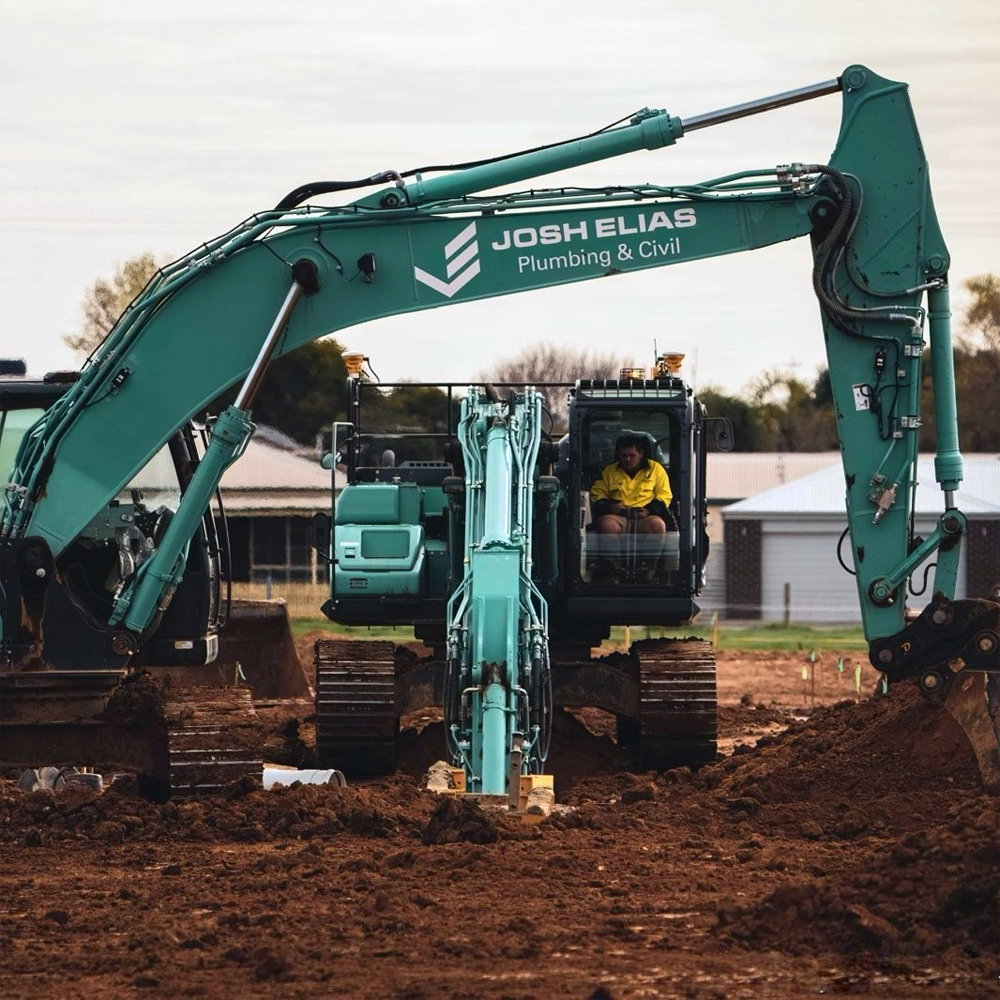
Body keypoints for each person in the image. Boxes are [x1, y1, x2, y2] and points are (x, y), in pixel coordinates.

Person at [590, 434, 673, 577]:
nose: (627, 459)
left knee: (658, 525)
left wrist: (648, 510)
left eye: (631, 455)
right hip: (618, 517)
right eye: (623, 455)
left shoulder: (656, 470)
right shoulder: (610, 471)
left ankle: (649, 571)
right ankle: (613, 571)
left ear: (641, 454)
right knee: (607, 526)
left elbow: (665, 495)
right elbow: (597, 493)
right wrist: (611, 506)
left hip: (644, 517)